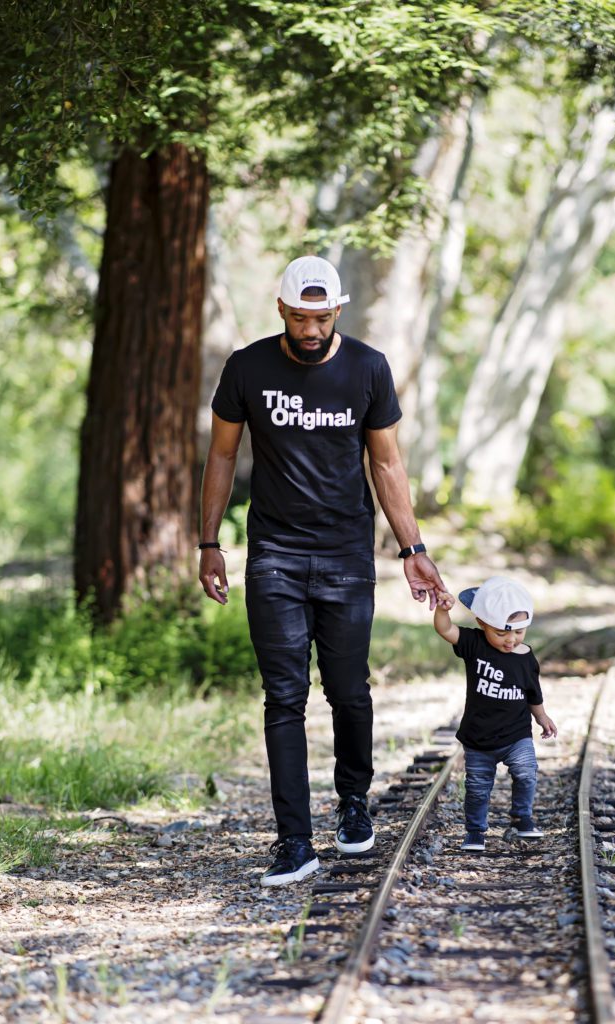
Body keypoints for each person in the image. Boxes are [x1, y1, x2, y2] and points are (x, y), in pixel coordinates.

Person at [198, 255, 444, 886]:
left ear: (339, 311)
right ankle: (293, 842)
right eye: (301, 317)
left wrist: (413, 551)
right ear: (281, 309)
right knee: (283, 698)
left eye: (322, 317)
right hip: (274, 555)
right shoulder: (248, 367)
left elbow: (387, 465)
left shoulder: (368, 368)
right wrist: (210, 541)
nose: (311, 329)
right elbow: (222, 455)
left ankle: (354, 805)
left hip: (345, 557)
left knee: (349, 691)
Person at [433, 575, 558, 851]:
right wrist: (443, 609)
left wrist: (542, 717)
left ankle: (521, 817)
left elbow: (533, 693)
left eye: (518, 632)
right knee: (477, 788)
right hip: (479, 739)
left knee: (526, 772)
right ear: (482, 623)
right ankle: (476, 831)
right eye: (501, 633)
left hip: (517, 735)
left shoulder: (526, 657)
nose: (511, 640)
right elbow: (445, 630)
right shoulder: (473, 643)